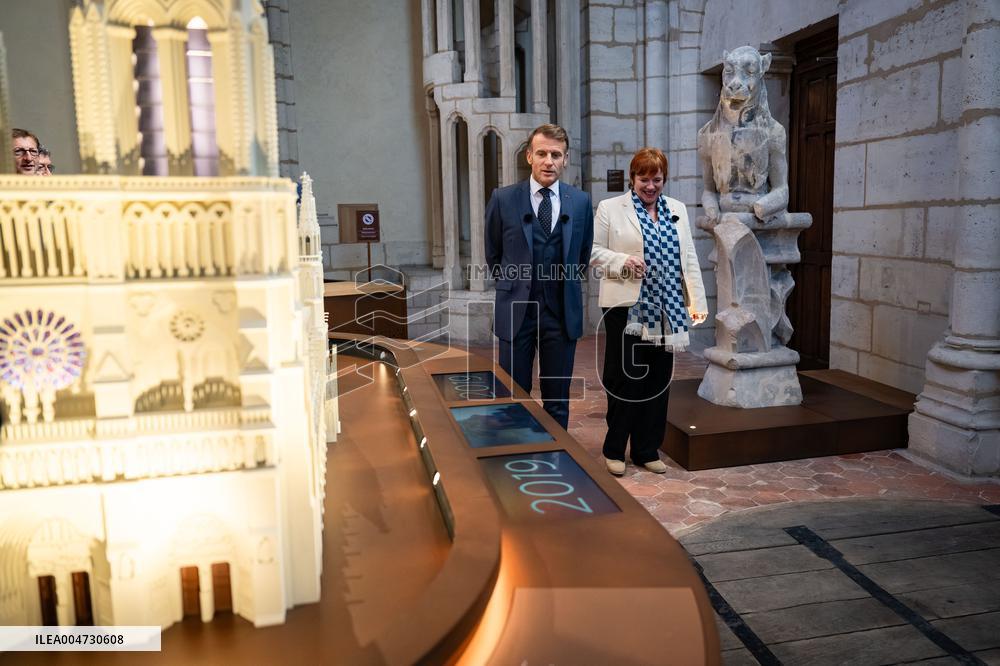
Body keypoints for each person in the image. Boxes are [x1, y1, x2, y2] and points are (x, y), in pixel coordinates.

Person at [590, 147, 708, 476]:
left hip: (668, 308)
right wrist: (622, 261)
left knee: (658, 381)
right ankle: (614, 449)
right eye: (644, 179)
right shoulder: (611, 208)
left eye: (656, 179)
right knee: (625, 379)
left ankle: (646, 449)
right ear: (632, 178)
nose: (650, 186)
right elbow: (592, 251)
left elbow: (689, 259)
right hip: (626, 308)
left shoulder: (678, 210)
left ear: (664, 179)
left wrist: (697, 302)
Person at [484, 123, 594, 430]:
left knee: (557, 397)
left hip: (559, 313)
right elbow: (493, 254)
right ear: (529, 157)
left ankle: (556, 457)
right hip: (517, 309)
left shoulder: (581, 202)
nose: (549, 161)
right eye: (542, 153)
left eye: (556, 155)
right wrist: (516, 284)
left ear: (565, 159)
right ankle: (513, 457)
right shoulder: (503, 199)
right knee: (514, 393)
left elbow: (581, 256)